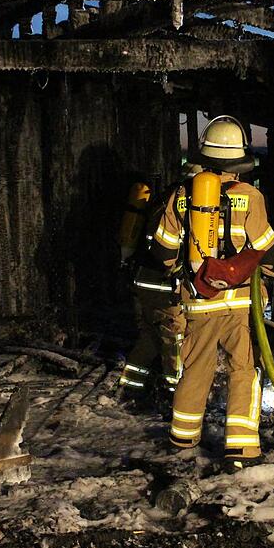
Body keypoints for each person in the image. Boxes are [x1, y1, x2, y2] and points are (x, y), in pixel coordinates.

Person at [149, 116, 274, 469]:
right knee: (243, 370)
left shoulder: (181, 196)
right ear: (239, 162)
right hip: (240, 304)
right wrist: (273, 268)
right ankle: (240, 450)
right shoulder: (250, 197)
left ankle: (182, 438)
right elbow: (270, 253)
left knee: (195, 369)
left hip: (198, 301)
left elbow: (163, 253)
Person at [116, 166, 202, 411]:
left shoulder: (164, 198)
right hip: (163, 285)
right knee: (174, 339)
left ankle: (131, 386)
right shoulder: (182, 204)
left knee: (150, 338)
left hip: (143, 281)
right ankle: (176, 396)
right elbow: (166, 249)